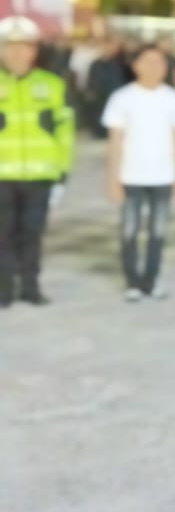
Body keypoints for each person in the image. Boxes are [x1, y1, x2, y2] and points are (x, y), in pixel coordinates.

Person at [103, 45, 175, 301]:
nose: (154, 67)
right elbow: (115, 142)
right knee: (129, 230)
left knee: (159, 231)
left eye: (159, 62)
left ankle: (151, 281)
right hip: (130, 175)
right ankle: (132, 281)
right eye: (148, 61)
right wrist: (112, 179)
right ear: (136, 66)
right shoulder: (122, 98)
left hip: (163, 176)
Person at [0, 17, 75, 307]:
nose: (18, 54)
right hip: (2, 177)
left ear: (34, 51)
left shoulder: (52, 85)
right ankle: (4, 288)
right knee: (2, 236)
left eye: (25, 47)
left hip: (40, 176)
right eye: (11, 47)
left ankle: (31, 286)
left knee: (32, 234)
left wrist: (62, 173)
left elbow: (65, 132)